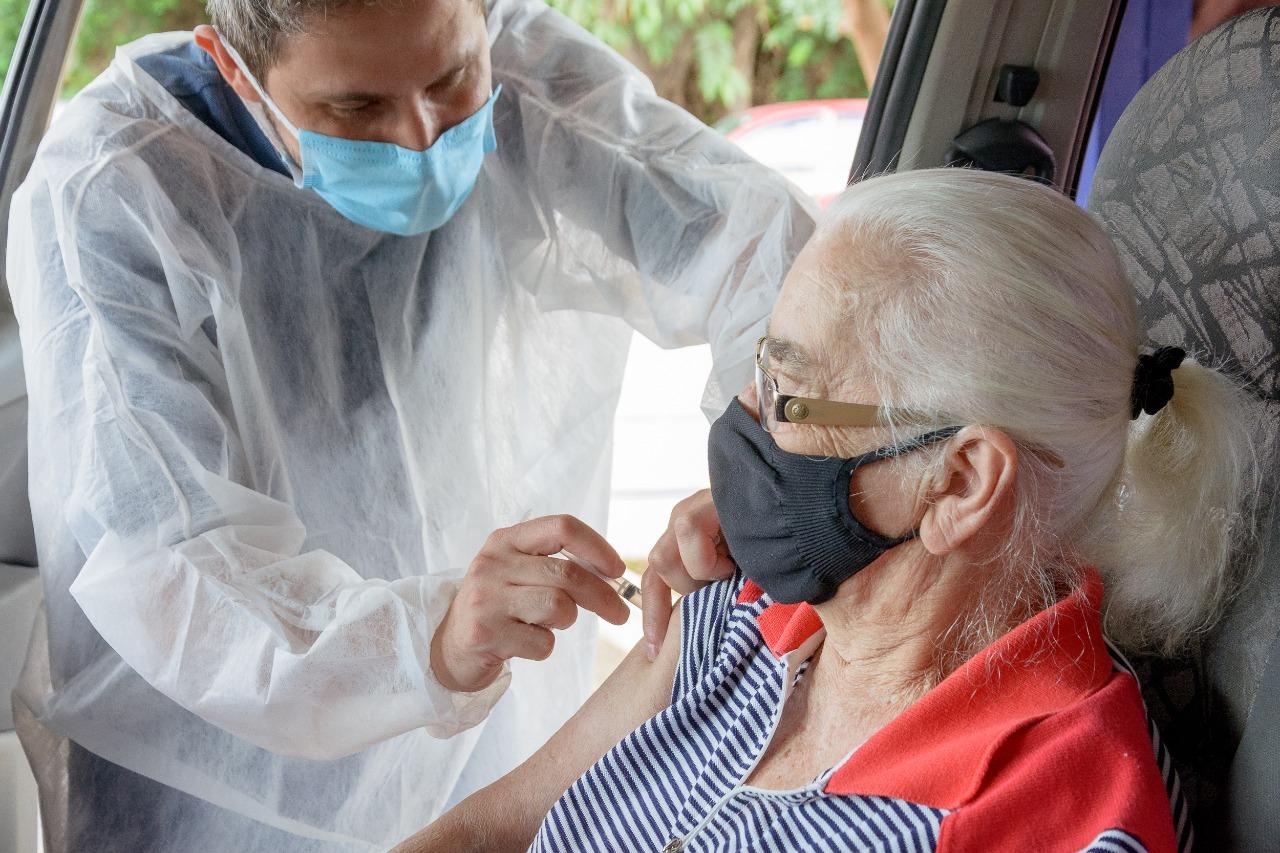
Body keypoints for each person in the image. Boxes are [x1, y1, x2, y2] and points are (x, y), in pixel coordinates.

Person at [5, 0, 816, 849]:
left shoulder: (520, 66)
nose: (422, 135)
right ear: (236, 68)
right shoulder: (113, 188)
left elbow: (766, 250)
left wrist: (765, 455)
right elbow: (159, 562)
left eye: (452, 78)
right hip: (221, 778)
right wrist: (420, 640)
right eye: (356, 110)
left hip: (489, 716)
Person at [392, 168, 1259, 853]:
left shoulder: (1055, 822)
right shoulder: (749, 606)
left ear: (959, 482)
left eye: (787, 389)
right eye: (758, 365)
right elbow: (486, 833)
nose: (743, 411)